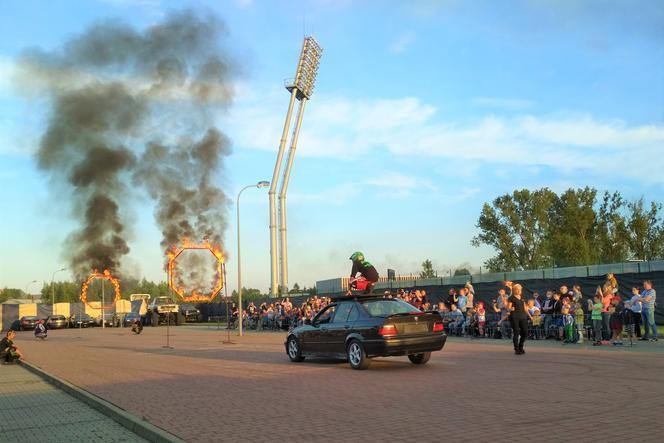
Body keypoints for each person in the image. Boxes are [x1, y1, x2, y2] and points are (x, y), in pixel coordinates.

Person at [506, 283, 531, 354]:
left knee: (525, 332)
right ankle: (517, 349)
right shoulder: (511, 298)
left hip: (523, 317)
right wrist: (510, 309)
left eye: (521, 289)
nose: (520, 290)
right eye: (519, 289)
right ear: (514, 290)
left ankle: (521, 346)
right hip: (514, 317)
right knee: (516, 332)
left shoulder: (522, 297)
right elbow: (508, 308)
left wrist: (530, 316)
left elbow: (525, 308)